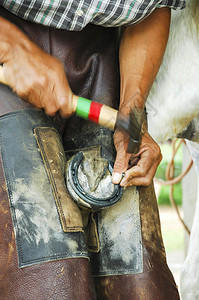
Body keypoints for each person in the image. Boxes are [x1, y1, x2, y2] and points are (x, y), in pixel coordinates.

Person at [0, 1, 185, 299]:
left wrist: (131, 108)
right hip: (7, 54)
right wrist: (12, 50)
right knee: (50, 281)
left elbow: (154, 7)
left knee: (141, 283)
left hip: (102, 64)